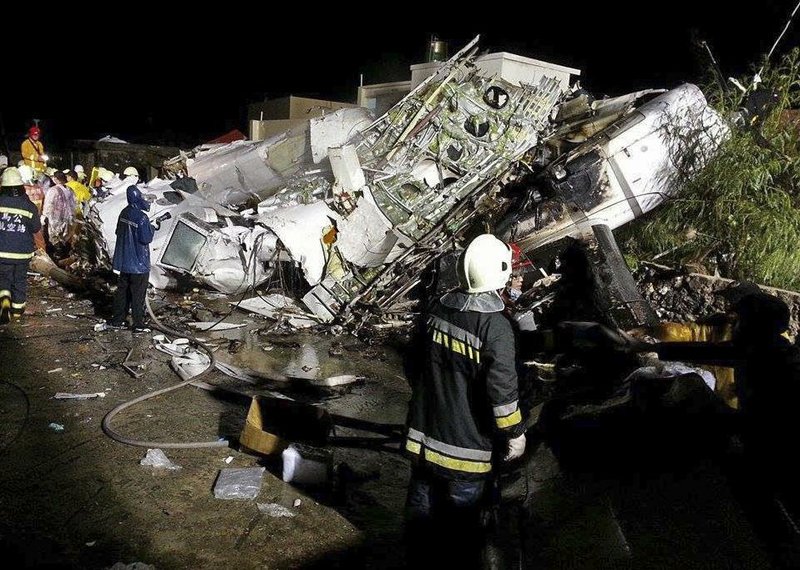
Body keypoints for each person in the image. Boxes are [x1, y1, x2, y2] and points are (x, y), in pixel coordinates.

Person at [403, 233, 526, 567]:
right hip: (466, 453)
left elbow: (413, 364)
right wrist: (515, 434)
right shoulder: (496, 328)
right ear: (499, 274)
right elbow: (501, 393)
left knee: (420, 514)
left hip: (424, 440)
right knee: (460, 532)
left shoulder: (436, 309)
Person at [110, 185, 154, 332]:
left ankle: (117, 320)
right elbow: (146, 238)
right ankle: (138, 324)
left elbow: (118, 232)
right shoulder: (142, 217)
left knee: (122, 293)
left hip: (124, 264)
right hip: (139, 265)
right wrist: (152, 228)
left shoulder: (123, 213)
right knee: (138, 295)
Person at [0, 167, 41, 324]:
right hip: (22, 253)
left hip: (2, 252)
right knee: (19, 281)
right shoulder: (29, 206)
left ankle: (4, 306)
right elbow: (36, 229)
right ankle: (17, 312)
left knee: (3, 280)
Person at [41, 171, 76, 258]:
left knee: (54, 237)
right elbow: (74, 204)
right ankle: (64, 254)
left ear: (56, 179)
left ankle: (57, 255)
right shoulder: (69, 189)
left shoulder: (53, 190)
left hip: (56, 218)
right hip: (68, 218)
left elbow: (48, 204)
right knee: (65, 237)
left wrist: (44, 215)